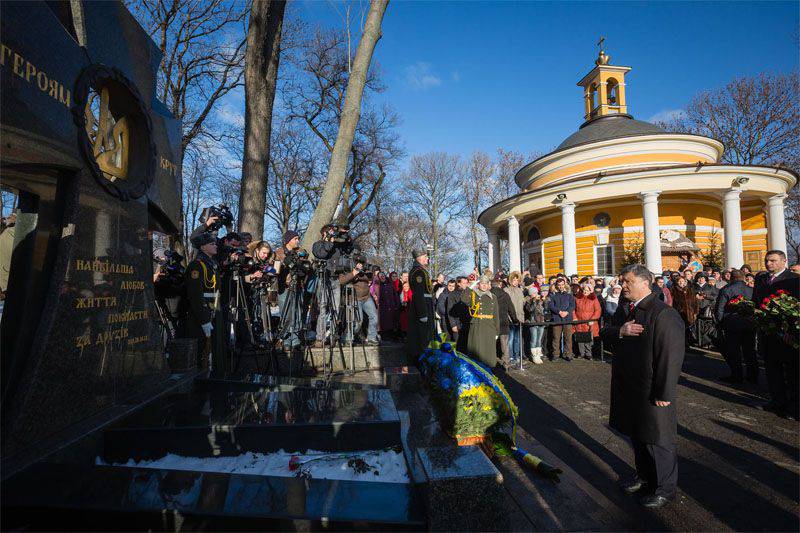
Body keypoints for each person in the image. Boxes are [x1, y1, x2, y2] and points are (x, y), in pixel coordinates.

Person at [601, 264, 685, 509]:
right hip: (630, 386)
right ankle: (645, 477)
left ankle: (665, 488)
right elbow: (605, 333)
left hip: (652, 389)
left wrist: (664, 392)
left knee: (658, 440)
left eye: (627, 281)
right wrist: (621, 331)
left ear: (645, 282)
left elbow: (670, 358)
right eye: (621, 281)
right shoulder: (626, 310)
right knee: (637, 434)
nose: (622, 285)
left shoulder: (663, 313)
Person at [752, 250, 800, 419]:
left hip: (787, 334)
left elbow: (796, 308)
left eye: (773, 260)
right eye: (767, 260)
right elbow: (756, 302)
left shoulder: (794, 280)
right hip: (767, 331)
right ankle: (776, 401)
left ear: (784, 261)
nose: (768, 264)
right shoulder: (761, 279)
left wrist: (792, 331)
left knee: (792, 372)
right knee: (772, 369)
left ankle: (795, 408)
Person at [178, 232, 223, 374]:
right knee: (201, 350)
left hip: (215, 308)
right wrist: (204, 320)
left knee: (215, 348)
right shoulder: (196, 266)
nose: (215, 246)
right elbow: (195, 295)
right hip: (201, 313)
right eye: (212, 244)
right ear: (203, 247)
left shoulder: (212, 264)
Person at [714, 269, 757, 384]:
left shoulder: (726, 289)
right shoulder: (751, 290)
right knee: (750, 351)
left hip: (731, 324)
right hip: (749, 323)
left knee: (734, 351)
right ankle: (753, 377)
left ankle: (737, 376)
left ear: (731, 278)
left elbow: (719, 309)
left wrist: (720, 323)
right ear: (743, 278)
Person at [462, 275, 499, 368]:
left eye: (486, 284)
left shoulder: (493, 297)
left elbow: (496, 314)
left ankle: (490, 371)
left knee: (488, 351)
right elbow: (464, 300)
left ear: (489, 285)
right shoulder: (474, 295)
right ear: (478, 284)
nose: (484, 286)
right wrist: (470, 287)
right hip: (477, 326)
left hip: (489, 327)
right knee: (476, 351)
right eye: (482, 283)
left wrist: (497, 331)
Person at [339, 262, 379, 346]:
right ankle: (347, 337)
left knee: (374, 317)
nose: (361, 265)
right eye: (359, 264)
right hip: (355, 298)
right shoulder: (348, 269)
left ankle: (372, 338)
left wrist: (366, 273)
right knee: (358, 322)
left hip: (366, 297)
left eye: (362, 264)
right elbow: (342, 281)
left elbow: (372, 278)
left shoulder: (366, 270)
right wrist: (355, 272)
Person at [406, 250, 435, 359]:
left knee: (425, 335)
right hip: (423, 305)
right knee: (422, 336)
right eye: (426, 256)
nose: (427, 259)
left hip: (425, 303)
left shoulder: (421, 271)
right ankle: (421, 359)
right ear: (419, 258)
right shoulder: (419, 272)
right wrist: (423, 313)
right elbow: (418, 293)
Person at [548, 277, 575, 361]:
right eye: (559, 285)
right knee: (556, 338)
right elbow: (551, 306)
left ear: (564, 285)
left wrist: (566, 312)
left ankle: (568, 354)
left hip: (567, 319)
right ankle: (555, 354)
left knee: (568, 338)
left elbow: (572, 305)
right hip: (557, 318)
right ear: (556, 286)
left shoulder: (569, 295)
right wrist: (559, 312)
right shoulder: (553, 295)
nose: (560, 286)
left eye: (562, 285)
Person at [492, 280, 517, 367]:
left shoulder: (488, 295)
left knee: (492, 343)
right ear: (499, 285)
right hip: (504, 322)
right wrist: (515, 319)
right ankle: (506, 362)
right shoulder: (505, 295)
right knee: (504, 344)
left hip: (492, 323)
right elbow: (511, 308)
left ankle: (492, 362)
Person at [574, 282, 601, 360]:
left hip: (589, 322)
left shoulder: (594, 299)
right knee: (580, 338)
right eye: (584, 290)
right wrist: (575, 318)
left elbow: (598, 310)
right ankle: (581, 353)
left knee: (588, 339)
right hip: (579, 322)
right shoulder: (577, 298)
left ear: (590, 291)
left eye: (587, 290)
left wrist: (592, 319)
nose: (585, 291)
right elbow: (573, 309)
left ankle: (588, 354)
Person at [670, 277, 698, 350]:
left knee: (688, 328)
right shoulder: (673, 290)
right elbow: (671, 302)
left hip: (689, 313)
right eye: (680, 281)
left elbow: (695, 302)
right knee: (679, 329)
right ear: (677, 282)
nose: (681, 283)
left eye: (683, 281)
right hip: (678, 313)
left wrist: (695, 312)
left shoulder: (690, 290)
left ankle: (688, 342)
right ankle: (681, 344)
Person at [505, 271, 526, 363]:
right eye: (514, 280)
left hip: (519, 318)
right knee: (511, 338)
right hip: (510, 318)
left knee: (517, 338)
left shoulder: (520, 290)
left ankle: (517, 355)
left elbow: (522, 303)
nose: (515, 281)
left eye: (517, 280)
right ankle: (510, 356)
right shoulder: (506, 290)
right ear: (510, 280)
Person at [693, 273, 718, 349]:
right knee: (696, 325)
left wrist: (706, 296)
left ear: (705, 279)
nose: (701, 279)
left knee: (707, 326)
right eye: (699, 278)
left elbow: (715, 296)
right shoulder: (693, 286)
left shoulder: (710, 286)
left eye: (703, 278)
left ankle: (706, 341)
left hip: (707, 308)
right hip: (695, 308)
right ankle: (698, 341)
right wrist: (695, 296)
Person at [525, 285, 546, 364]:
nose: (536, 294)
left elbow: (545, 310)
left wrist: (544, 301)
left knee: (539, 339)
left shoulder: (541, 300)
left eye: (536, 293)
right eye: (534, 293)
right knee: (534, 339)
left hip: (541, 322)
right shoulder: (528, 301)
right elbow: (530, 310)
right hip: (533, 322)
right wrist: (534, 301)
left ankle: (538, 355)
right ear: (531, 294)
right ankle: (534, 356)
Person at [377, 272, 400, 339]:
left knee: (391, 322)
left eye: (383, 276)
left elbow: (395, 295)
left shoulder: (390, 285)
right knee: (383, 322)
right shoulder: (378, 285)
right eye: (380, 276)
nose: (382, 277)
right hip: (382, 307)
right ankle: (384, 337)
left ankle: (391, 336)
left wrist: (397, 305)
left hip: (391, 306)